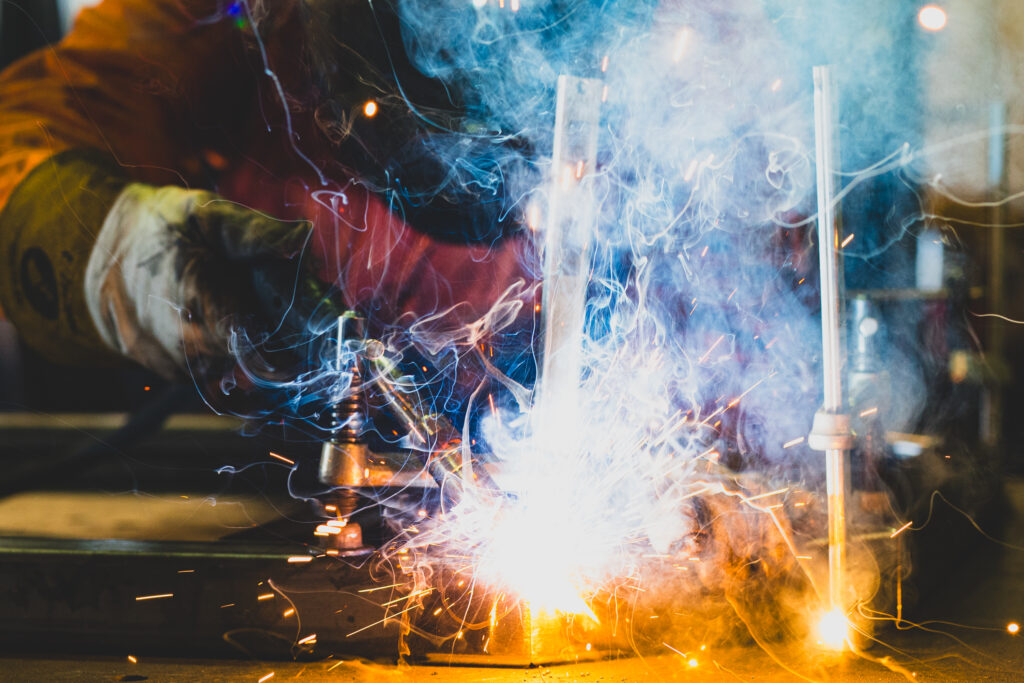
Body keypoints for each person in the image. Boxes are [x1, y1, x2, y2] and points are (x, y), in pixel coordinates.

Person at [0, 0, 537, 396]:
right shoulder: (240, 16)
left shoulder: (609, 71)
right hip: (267, 455)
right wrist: (125, 252)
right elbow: (35, 128)